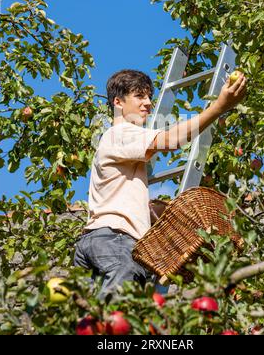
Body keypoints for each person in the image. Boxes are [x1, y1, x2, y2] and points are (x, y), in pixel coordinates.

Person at [74, 68, 247, 300]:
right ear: (118, 102)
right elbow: (173, 140)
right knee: (118, 313)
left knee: (95, 315)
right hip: (114, 240)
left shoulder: (123, 154)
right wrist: (220, 106)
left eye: (149, 97)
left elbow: (131, 204)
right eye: (139, 96)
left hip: (100, 242)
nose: (148, 103)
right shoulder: (120, 133)